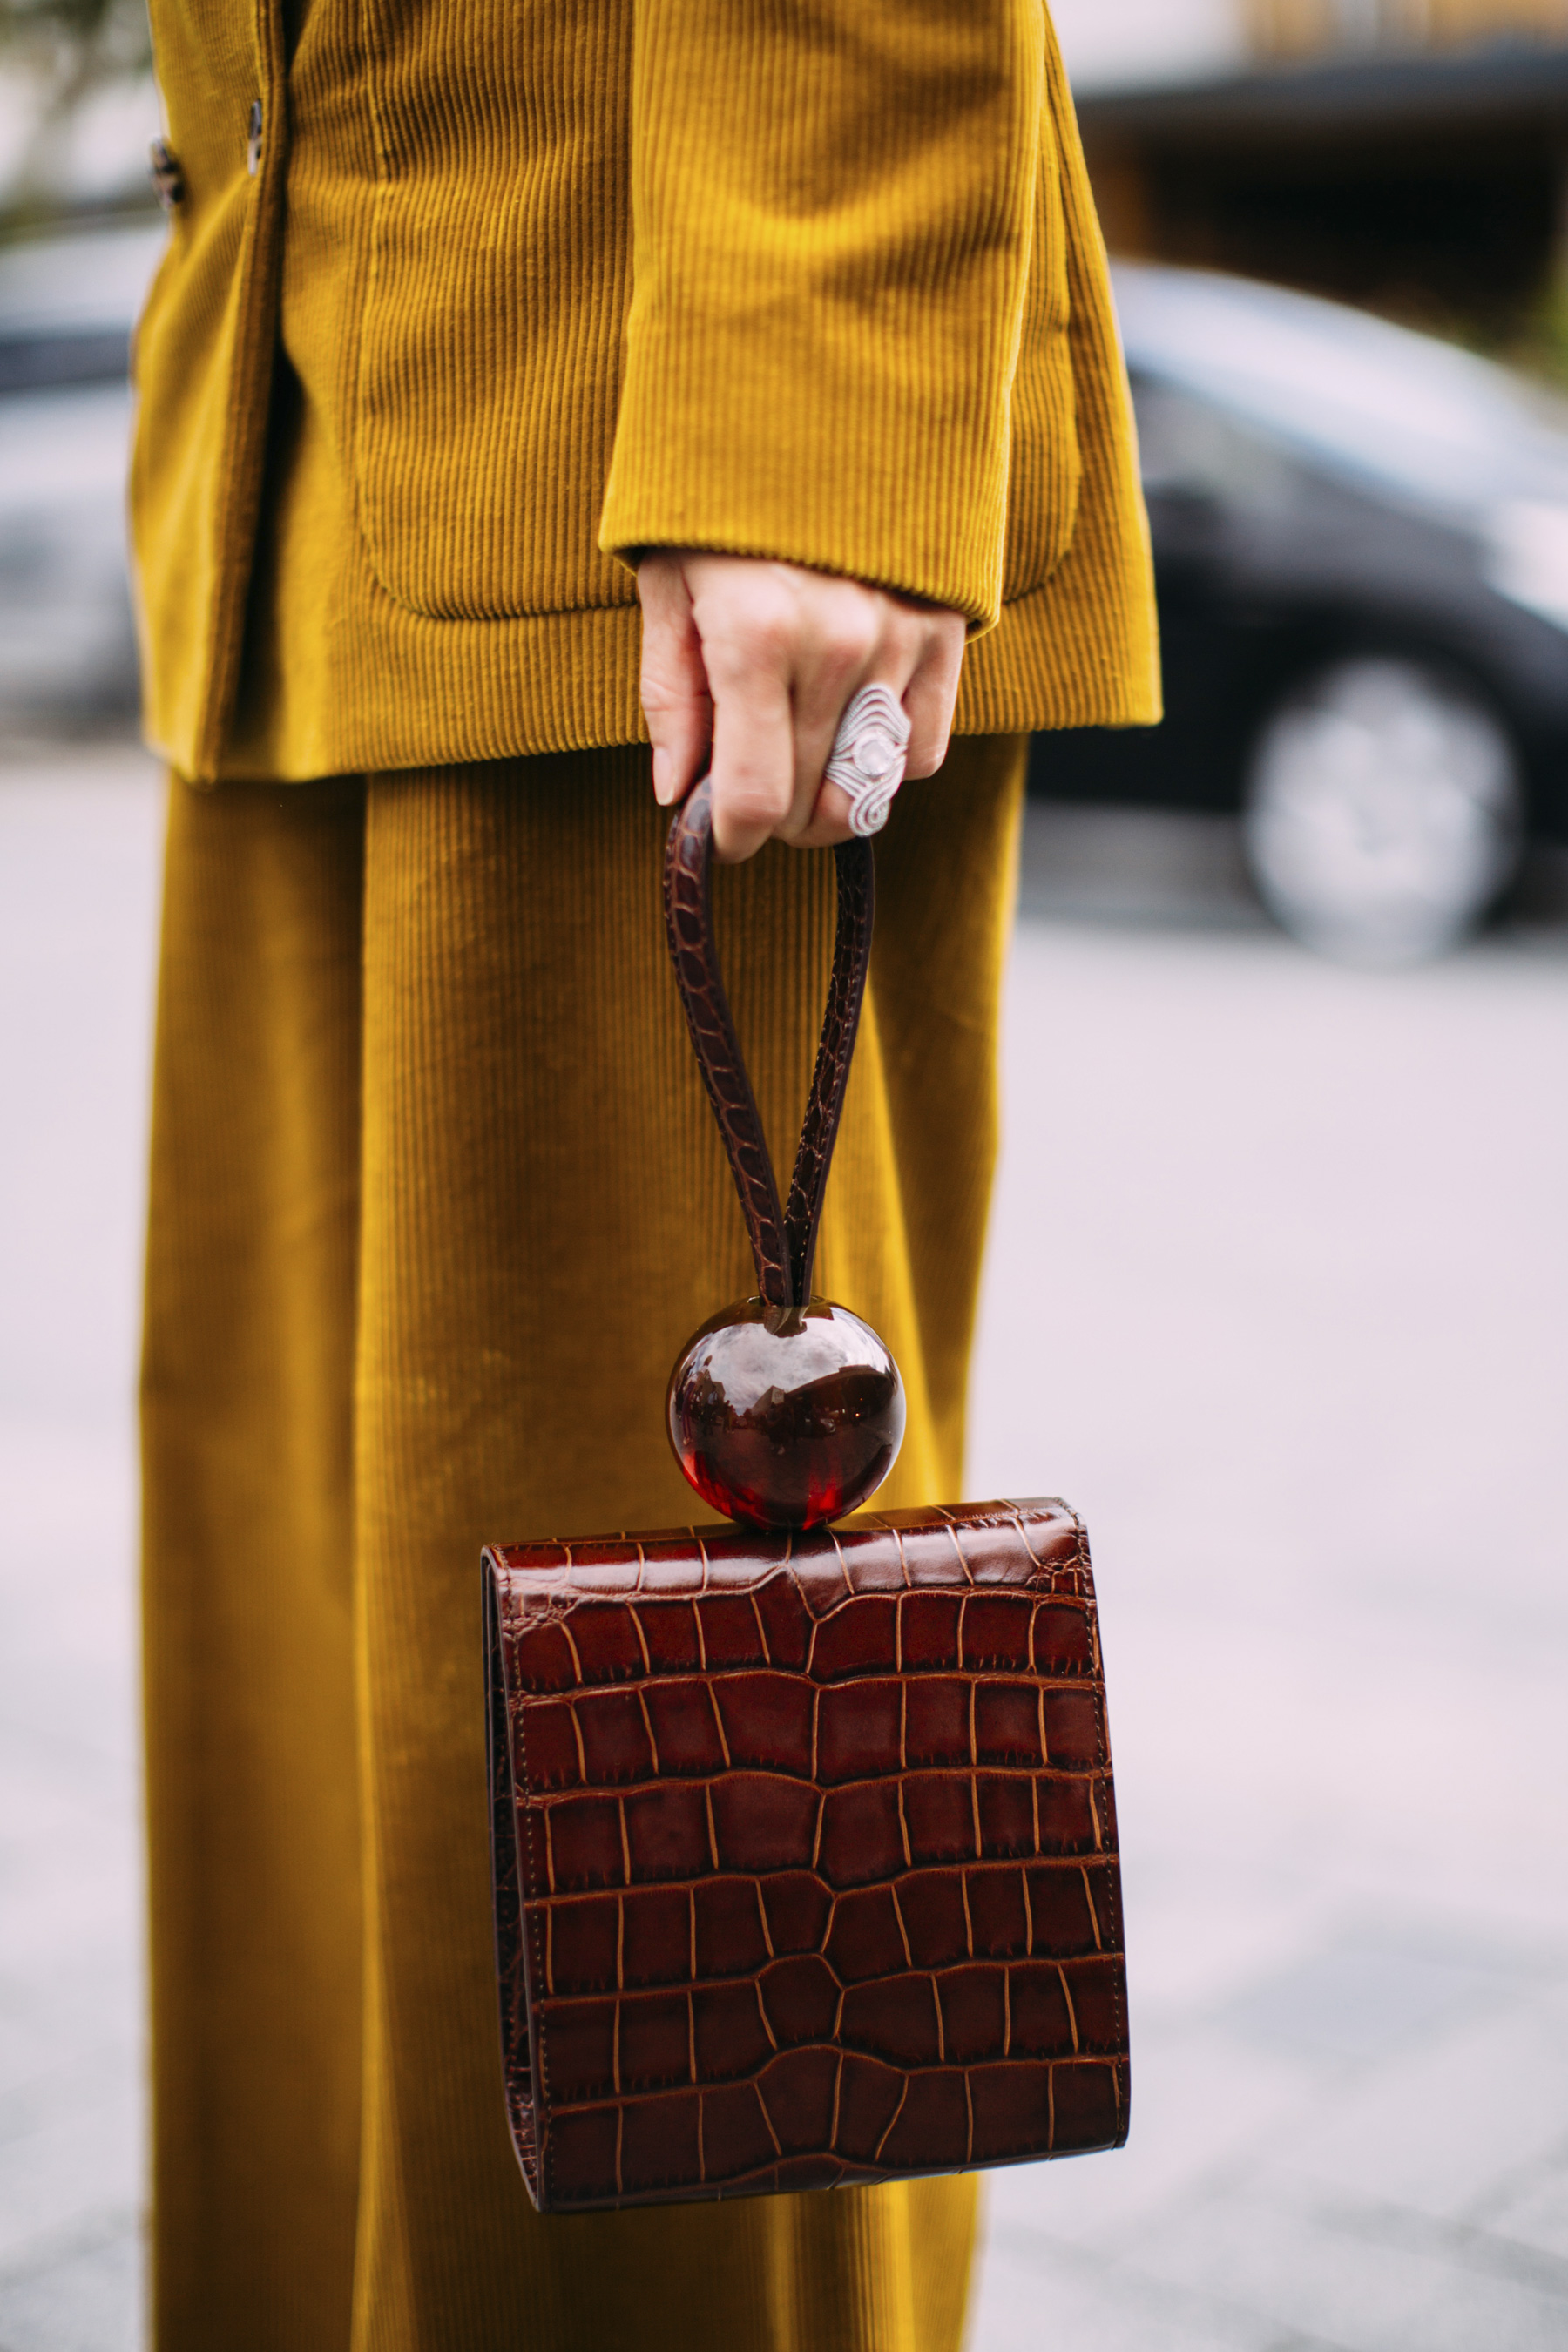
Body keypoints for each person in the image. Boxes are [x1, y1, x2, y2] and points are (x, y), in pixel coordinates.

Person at [132, 3, 1158, 2347]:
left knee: (691, 1934)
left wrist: (820, 384)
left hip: (652, 494)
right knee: (340, 1874)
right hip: (307, 411)